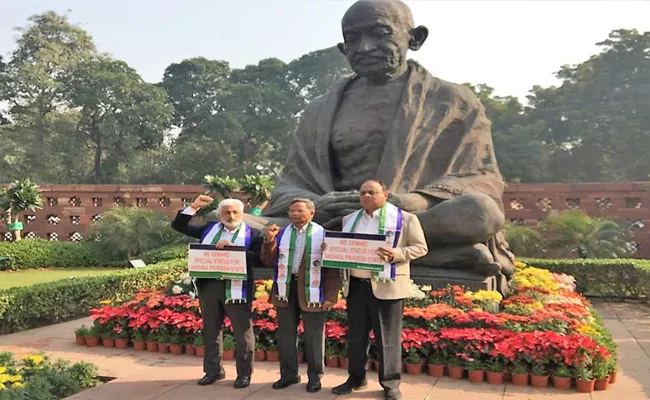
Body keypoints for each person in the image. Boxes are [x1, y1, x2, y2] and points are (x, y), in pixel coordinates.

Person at [243, 0, 515, 293]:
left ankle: (353, 248)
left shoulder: (453, 101)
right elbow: (289, 185)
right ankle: (442, 255)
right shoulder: (319, 110)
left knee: (481, 212)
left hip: (406, 218)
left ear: (415, 38)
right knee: (217, 219)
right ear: (342, 49)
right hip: (331, 219)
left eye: (380, 34)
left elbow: (483, 180)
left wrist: (415, 201)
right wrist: (314, 204)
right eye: (353, 39)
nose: (365, 47)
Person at [331, 180, 427, 400]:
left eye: (372, 192)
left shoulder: (406, 219)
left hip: (387, 286)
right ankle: (356, 378)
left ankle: (390, 383)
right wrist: (332, 249)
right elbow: (346, 246)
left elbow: (421, 247)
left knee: (388, 339)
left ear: (385, 194)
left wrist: (397, 254)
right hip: (355, 286)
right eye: (363, 193)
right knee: (356, 337)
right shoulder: (350, 219)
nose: (366, 196)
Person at [171, 195, 263, 389]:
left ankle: (244, 374)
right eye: (226, 212)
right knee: (212, 329)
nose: (230, 215)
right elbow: (179, 226)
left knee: (242, 332)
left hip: (238, 288)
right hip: (210, 286)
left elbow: (259, 260)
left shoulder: (253, 234)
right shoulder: (209, 229)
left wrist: (235, 250)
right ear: (220, 214)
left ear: (242, 213)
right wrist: (194, 206)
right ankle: (213, 370)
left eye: (234, 212)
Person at [260, 198, 341, 393]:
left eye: (300, 211)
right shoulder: (281, 234)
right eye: (292, 211)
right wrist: (269, 241)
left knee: (314, 337)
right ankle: (288, 375)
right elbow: (267, 260)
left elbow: (332, 269)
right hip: (286, 289)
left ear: (311, 213)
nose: (295, 214)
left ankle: (315, 377)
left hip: (313, 290)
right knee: (286, 336)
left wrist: (330, 296)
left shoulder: (323, 235)